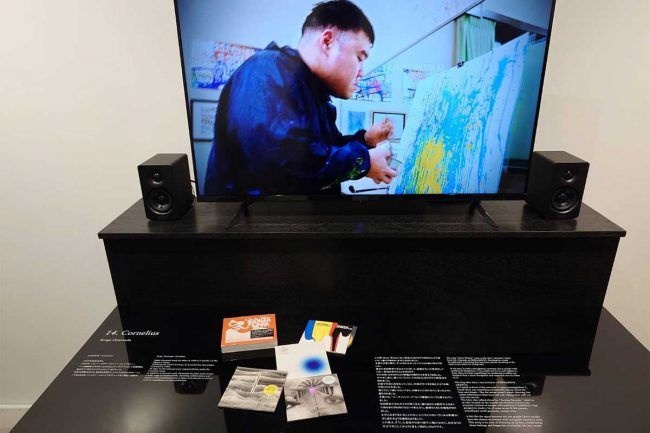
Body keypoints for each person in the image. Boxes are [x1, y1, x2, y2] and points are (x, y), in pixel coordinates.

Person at [204, 0, 397, 196]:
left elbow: (325, 153)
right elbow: (284, 165)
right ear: (327, 42)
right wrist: (364, 162)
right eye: (359, 58)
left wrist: (366, 140)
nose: (361, 72)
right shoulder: (265, 72)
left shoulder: (316, 96)